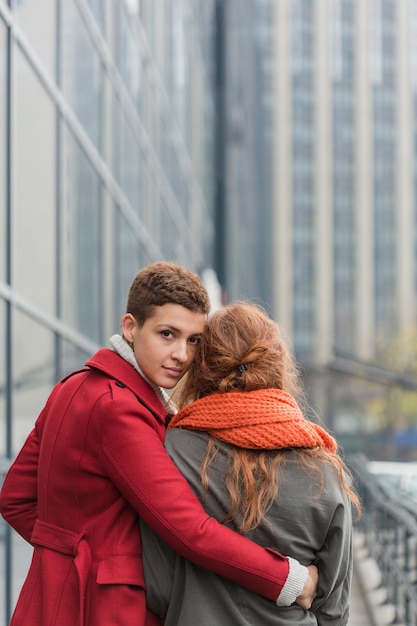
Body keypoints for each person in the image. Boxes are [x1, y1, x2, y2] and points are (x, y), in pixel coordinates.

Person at [0, 263, 317, 626]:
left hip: (48, 604)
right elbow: (190, 529)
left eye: (193, 339)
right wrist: (290, 581)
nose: (182, 354)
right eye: (167, 334)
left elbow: (15, 498)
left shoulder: (72, 387)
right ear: (130, 327)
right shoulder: (118, 408)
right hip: (106, 610)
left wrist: (65, 556)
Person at [140, 301, 362, 625]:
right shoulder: (321, 469)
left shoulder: (168, 451)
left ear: (200, 368)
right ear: (277, 366)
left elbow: (157, 585)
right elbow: (333, 609)